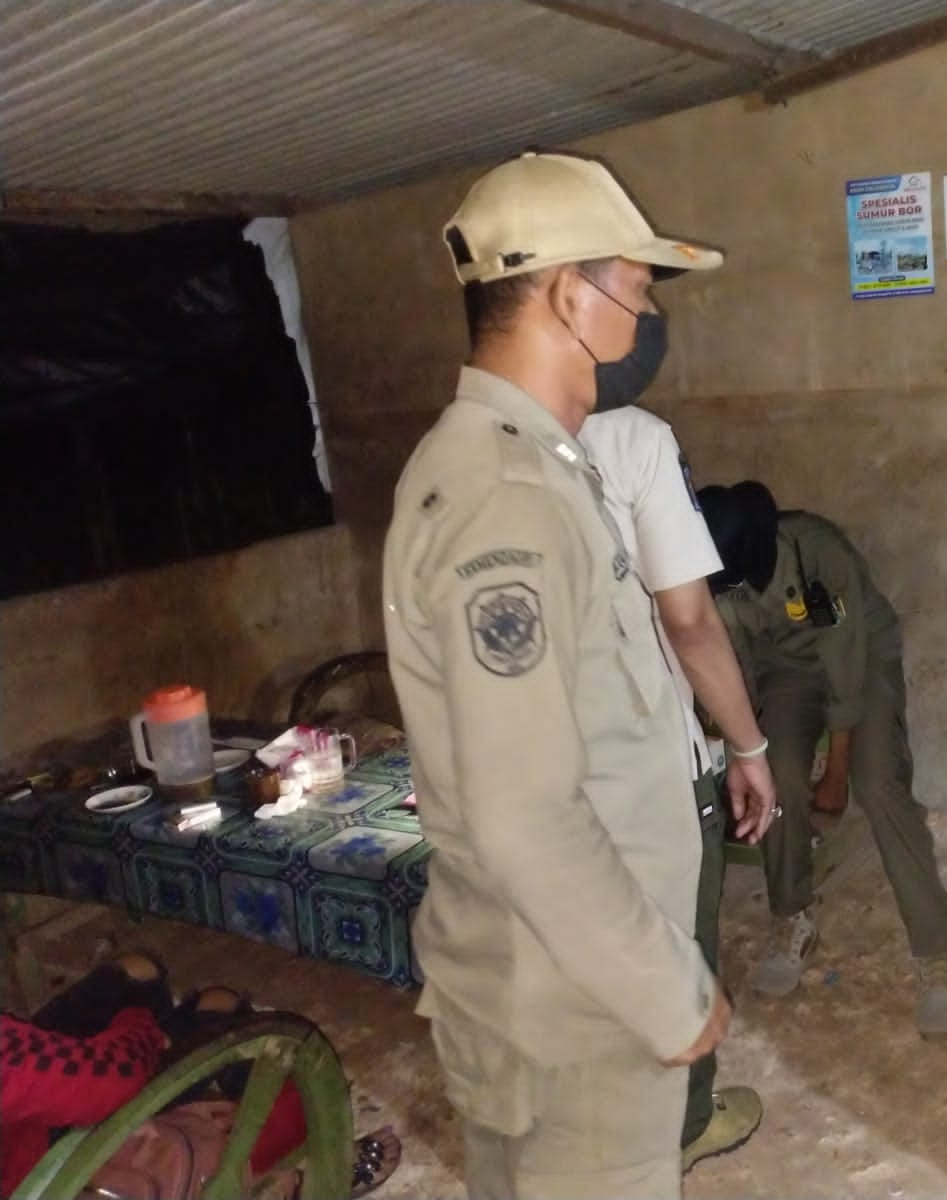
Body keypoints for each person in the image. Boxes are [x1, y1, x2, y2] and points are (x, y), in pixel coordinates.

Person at [382, 152, 730, 1199]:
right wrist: (668, 993)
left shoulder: (519, 463)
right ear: (570, 296)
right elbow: (525, 815)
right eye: (635, 288)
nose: (643, 319)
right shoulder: (509, 497)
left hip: (554, 980)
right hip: (575, 1007)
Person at [578, 402, 778, 1171]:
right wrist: (747, 747)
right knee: (677, 949)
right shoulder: (632, 440)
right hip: (649, 763)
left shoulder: (469, 444)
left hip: (553, 769)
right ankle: (684, 1125)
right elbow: (689, 621)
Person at [697, 481, 947, 1037]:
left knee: (878, 784)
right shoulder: (712, 572)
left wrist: (838, 774)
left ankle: (938, 952)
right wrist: (739, 748)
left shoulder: (818, 551)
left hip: (862, 658)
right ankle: (790, 913)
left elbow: (846, 667)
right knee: (778, 778)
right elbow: (735, 666)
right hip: (788, 671)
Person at [1, 952, 398, 1197]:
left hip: (23, 1124)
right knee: (213, 1008)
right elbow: (111, 1080)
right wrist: (138, 1025)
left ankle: (186, 1024)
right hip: (44, 1170)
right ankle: (299, 1180)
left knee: (140, 976)